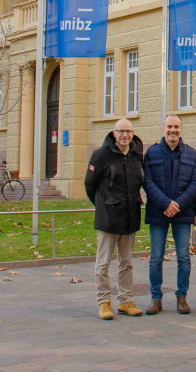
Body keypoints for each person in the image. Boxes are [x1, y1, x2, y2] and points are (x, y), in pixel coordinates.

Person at [84, 118, 146, 320]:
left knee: (126, 263)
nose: (125, 135)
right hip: (108, 219)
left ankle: (125, 300)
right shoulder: (101, 155)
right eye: (121, 131)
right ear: (114, 133)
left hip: (130, 217)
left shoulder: (137, 154)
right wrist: (104, 205)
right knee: (103, 264)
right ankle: (104, 302)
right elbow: (90, 186)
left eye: (128, 131)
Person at [143, 114, 196, 315]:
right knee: (156, 257)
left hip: (182, 213)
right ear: (163, 129)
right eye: (169, 126)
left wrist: (177, 205)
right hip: (158, 212)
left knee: (184, 257)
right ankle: (155, 298)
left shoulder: (192, 154)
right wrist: (165, 204)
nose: (172, 130)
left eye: (176, 127)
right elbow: (148, 182)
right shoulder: (151, 153)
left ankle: (182, 296)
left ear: (181, 129)